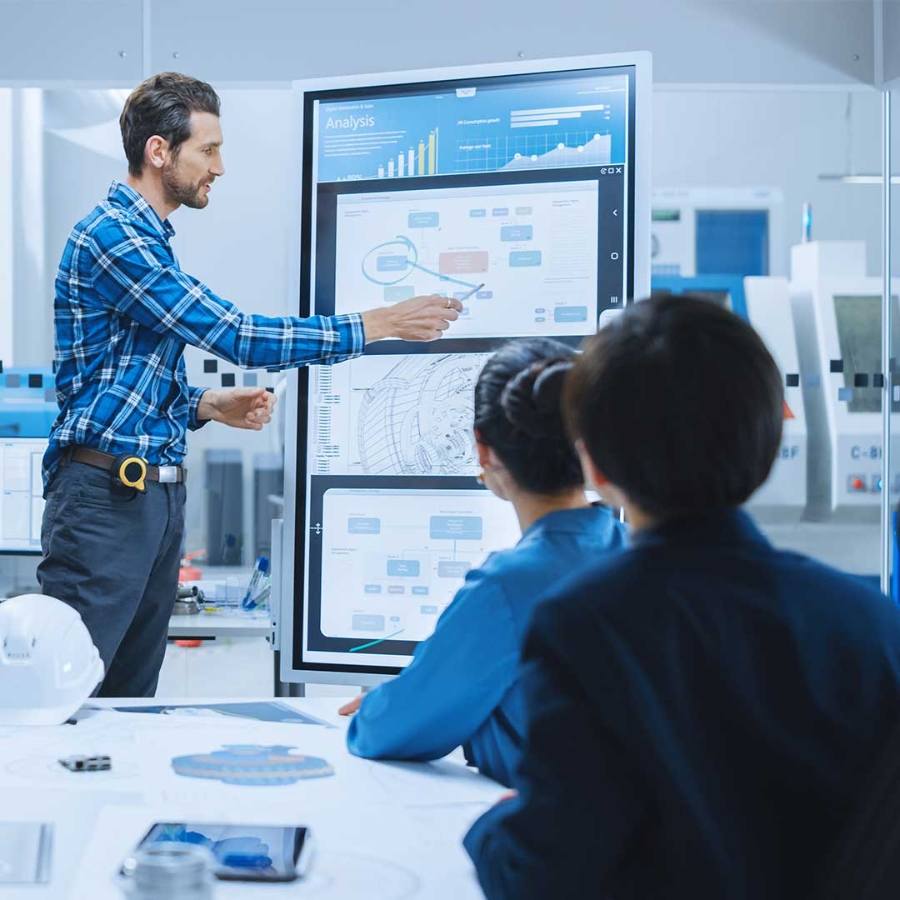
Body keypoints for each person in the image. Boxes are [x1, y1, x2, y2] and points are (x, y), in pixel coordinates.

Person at [37, 72, 462, 698]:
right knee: (67, 701)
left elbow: (116, 383)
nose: (220, 167)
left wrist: (206, 403)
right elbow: (237, 335)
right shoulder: (113, 238)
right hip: (105, 502)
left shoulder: (147, 239)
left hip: (146, 499)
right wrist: (375, 324)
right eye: (208, 150)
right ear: (160, 151)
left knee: (127, 704)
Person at [464, 295, 900, 899]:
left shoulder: (582, 622)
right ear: (773, 433)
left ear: (591, 460)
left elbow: (539, 874)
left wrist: (493, 827)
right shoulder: (872, 623)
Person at [339, 337, 627, 786]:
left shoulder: (507, 587)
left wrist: (390, 703)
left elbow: (385, 733)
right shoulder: (635, 549)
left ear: (483, 449)